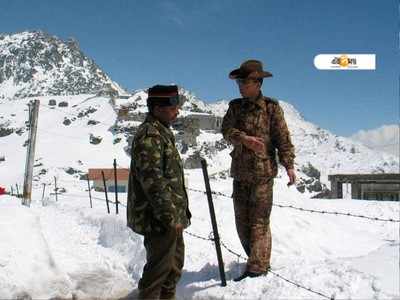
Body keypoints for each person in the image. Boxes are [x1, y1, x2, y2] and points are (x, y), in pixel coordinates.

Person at [221, 60, 296, 281]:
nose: (241, 86)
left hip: (263, 175)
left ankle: (257, 268)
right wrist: (243, 139)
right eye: (239, 82)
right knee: (241, 222)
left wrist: (289, 165)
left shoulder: (271, 108)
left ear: (258, 82)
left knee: (259, 222)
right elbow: (226, 130)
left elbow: (283, 139)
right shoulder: (235, 107)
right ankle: (254, 259)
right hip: (240, 173)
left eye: (245, 81)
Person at [127, 84, 191, 299]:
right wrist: (170, 217)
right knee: (158, 272)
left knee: (172, 269)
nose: (177, 111)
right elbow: (153, 180)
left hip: (170, 217)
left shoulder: (162, 132)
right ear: (157, 108)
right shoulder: (150, 135)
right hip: (160, 218)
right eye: (173, 106)